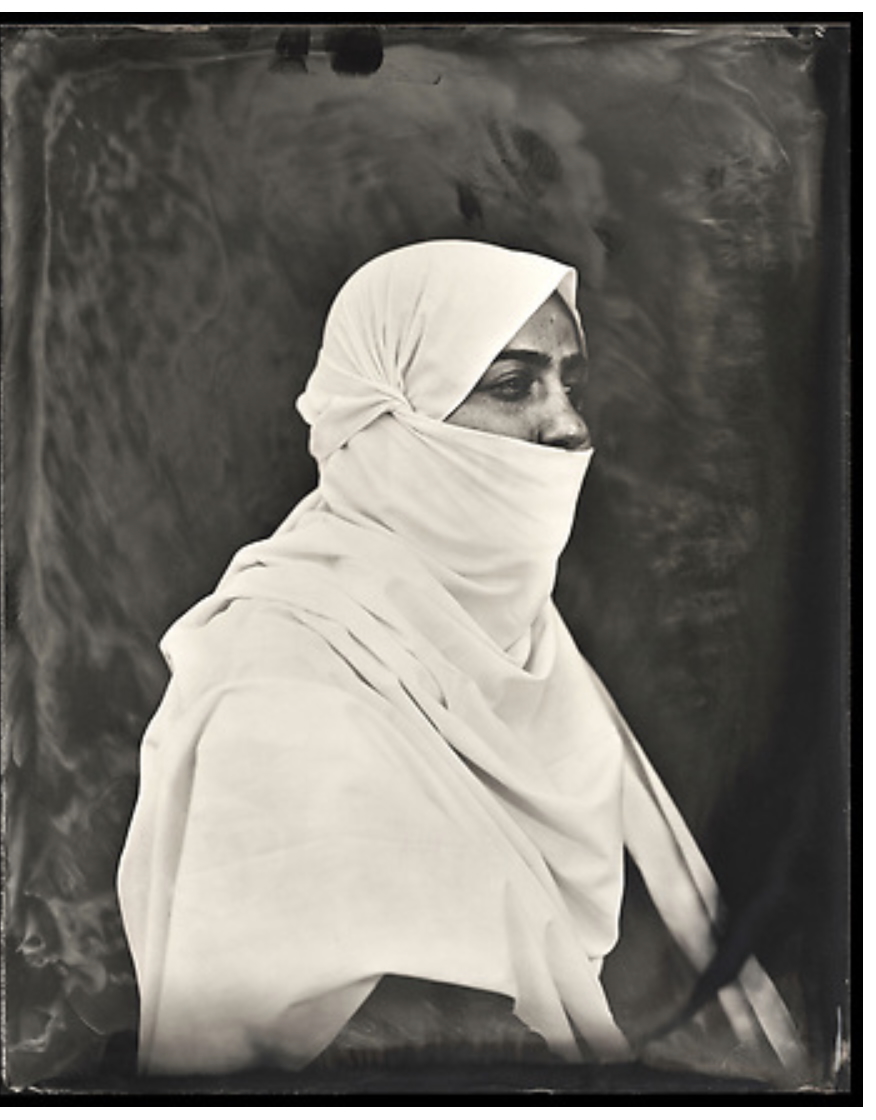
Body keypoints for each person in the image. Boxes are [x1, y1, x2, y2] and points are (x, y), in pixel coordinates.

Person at [115, 241, 805, 1081]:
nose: (569, 424)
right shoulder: (275, 689)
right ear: (390, 420)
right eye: (514, 385)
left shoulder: (539, 653)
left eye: (571, 385)